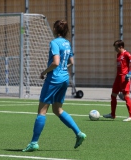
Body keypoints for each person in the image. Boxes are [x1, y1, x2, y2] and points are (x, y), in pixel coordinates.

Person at [22, 20, 86, 152]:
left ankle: (34, 142)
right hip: (64, 79)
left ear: (55, 30)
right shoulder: (67, 43)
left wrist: (44, 72)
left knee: (42, 111)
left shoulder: (54, 42)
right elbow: (71, 62)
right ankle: (79, 133)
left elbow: (56, 62)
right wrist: (63, 68)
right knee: (57, 110)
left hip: (54, 79)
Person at [103, 40, 131, 122]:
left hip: (124, 78)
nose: (115, 49)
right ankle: (112, 114)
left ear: (121, 47)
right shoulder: (118, 54)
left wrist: (130, 73)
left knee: (126, 96)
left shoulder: (126, 54)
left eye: (116, 47)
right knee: (113, 95)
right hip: (118, 78)